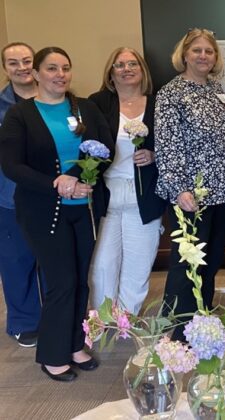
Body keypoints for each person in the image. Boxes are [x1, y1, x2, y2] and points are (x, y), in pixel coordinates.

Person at [0, 47, 114, 381]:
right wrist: (57, 182)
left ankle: (76, 344)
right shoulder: (21, 115)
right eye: (51, 68)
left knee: (80, 280)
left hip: (86, 208)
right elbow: (11, 166)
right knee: (61, 281)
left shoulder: (86, 109)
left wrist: (82, 178)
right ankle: (51, 353)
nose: (60, 74)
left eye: (65, 67)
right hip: (42, 211)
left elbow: (105, 150)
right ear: (36, 74)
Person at [155, 28, 225, 341]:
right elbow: (167, 145)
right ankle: (176, 333)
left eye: (209, 51)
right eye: (197, 50)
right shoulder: (171, 93)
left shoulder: (216, 89)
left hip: (221, 193)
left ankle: (201, 322)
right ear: (184, 55)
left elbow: (220, 136)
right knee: (187, 267)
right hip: (190, 196)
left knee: (210, 262)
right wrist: (179, 188)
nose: (203, 56)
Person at [88, 47, 166, 315]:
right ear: (111, 73)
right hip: (106, 194)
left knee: (138, 264)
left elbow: (173, 146)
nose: (126, 69)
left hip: (144, 195)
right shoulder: (97, 103)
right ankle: (103, 321)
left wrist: (155, 155)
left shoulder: (158, 104)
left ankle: (126, 322)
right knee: (102, 266)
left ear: (142, 70)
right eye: (119, 65)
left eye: (133, 64)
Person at [0, 42, 42, 348]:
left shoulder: (55, 98)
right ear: (5, 69)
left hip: (52, 194)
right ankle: (24, 322)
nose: (22, 67)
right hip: (9, 197)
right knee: (16, 261)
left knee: (54, 261)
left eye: (27, 60)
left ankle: (54, 316)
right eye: (13, 63)